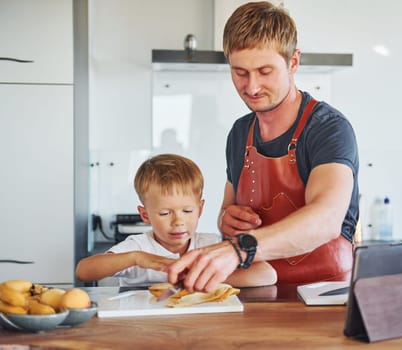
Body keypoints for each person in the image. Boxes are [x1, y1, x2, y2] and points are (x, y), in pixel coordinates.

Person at [167, 1, 359, 292]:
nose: (252, 87)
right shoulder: (240, 133)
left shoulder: (327, 128)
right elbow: (226, 211)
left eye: (265, 71)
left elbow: (327, 219)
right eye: (240, 72)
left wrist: (240, 248)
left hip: (324, 297)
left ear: (293, 62)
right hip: (254, 294)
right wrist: (226, 221)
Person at [76, 153, 277, 287]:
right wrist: (136, 258)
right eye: (165, 213)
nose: (178, 221)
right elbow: (83, 271)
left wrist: (208, 278)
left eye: (187, 211)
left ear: (200, 209)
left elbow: (268, 274)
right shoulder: (138, 247)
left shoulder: (210, 244)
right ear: (145, 215)